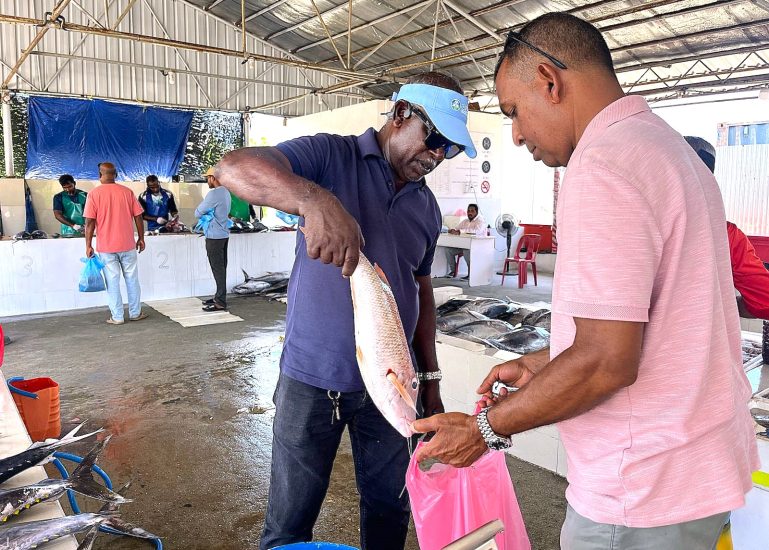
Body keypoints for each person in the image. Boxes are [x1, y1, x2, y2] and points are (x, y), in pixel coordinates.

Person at [412, 14, 758, 550]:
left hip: (639, 491)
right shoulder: (667, 150)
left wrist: (485, 429)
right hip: (696, 473)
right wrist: (550, 359)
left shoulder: (604, 165)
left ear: (550, 82)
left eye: (514, 112)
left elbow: (606, 360)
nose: (518, 134)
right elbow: (653, 329)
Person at [215, 71, 476, 550]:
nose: (438, 156)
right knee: (290, 519)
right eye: (435, 139)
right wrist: (315, 199)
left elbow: (421, 291)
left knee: (389, 508)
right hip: (311, 377)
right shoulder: (329, 156)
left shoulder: (427, 207)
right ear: (400, 115)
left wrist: (431, 379)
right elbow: (233, 167)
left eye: (451, 149)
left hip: (392, 385)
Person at [684, 136, 769, 321]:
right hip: (699, 341)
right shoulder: (725, 235)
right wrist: (728, 304)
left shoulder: (630, 225)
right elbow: (765, 302)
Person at [84, 162, 148, 325]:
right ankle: (135, 313)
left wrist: (88, 244)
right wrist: (141, 238)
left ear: (100, 174)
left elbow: (90, 222)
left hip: (106, 248)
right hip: (127, 245)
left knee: (112, 282)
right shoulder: (127, 192)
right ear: (116, 174)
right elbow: (138, 216)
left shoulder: (94, 194)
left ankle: (117, 317)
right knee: (132, 279)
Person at [195, 167, 231, 312]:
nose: (207, 181)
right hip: (223, 235)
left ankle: (220, 301)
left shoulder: (214, 194)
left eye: (207, 178)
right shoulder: (226, 192)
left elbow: (198, 212)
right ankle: (219, 296)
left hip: (214, 237)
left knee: (218, 269)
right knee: (221, 267)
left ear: (213, 178)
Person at [444, 203, 486, 278]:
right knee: (448, 250)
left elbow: (476, 231)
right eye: (468, 211)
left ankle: (471, 275)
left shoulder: (480, 220)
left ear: (476, 212)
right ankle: (453, 271)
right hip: (464, 245)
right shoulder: (465, 221)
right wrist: (453, 230)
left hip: (477, 246)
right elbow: (457, 228)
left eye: (472, 211)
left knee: (466, 250)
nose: (469, 213)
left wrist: (460, 231)